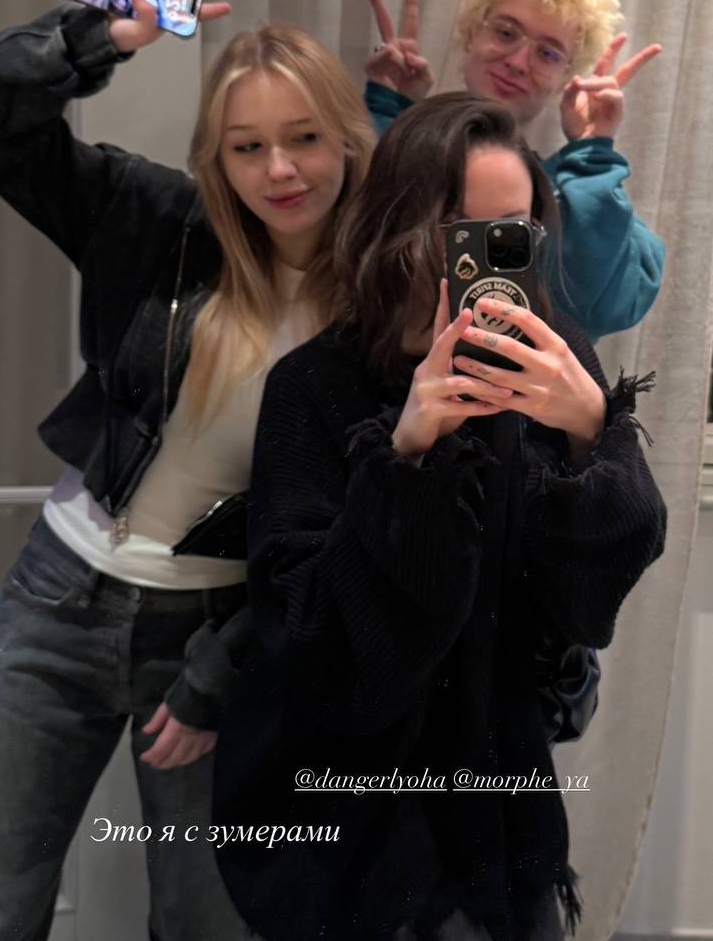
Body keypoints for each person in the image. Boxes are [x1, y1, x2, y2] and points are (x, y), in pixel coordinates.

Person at [213, 93, 666, 941]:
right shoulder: (315, 387)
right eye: (461, 232)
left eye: (512, 233)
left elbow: (590, 602)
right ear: (399, 227)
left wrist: (590, 430)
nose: (487, 257)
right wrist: (408, 452)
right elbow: (314, 645)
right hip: (344, 824)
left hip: (498, 815)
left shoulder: (555, 367)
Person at [0, 0, 377, 941]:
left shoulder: (380, 305)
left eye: (304, 138)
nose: (279, 169)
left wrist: (222, 667)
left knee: (209, 920)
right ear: (218, 156)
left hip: (218, 631)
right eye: (248, 146)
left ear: (348, 138)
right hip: (59, 598)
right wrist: (105, 34)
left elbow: (347, 529)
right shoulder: (153, 219)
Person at [363, 0, 664, 343]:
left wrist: (591, 154)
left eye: (547, 53)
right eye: (506, 33)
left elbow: (599, 305)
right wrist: (394, 116)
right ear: (472, 30)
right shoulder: (396, 145)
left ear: (565, 76)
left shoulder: (568, 195)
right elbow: (358, 240)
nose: (519, 62)